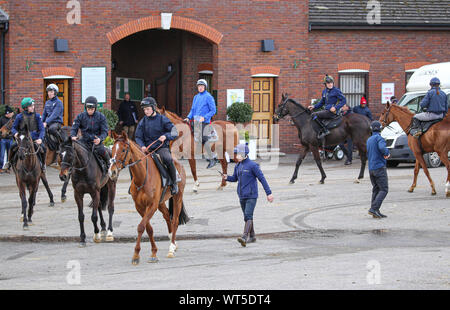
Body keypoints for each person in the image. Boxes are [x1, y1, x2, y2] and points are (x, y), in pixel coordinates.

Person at [223, 144, 274, 247]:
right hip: (241, 195)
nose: (236, 156)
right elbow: (235, 178)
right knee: (247, 217)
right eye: (236, 154)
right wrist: (226, 177)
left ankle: (244, 237)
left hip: (251, 195)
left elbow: (262, 179)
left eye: (238, 154)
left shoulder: (253, 165)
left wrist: (269, 193)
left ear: (245, 154)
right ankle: (253, 236)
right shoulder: (238, 165)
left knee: (248, 215)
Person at [135, 97, 180, 195]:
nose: (145, 111)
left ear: (153, 108)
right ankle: (134, 186)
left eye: (147, 109)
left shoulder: (163, 119)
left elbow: (174, 132)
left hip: (161, 148)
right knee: (135, 162)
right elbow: (138, 137)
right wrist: (142, 146)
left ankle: (173, 183)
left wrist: (165, 136)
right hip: (146, 149)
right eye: (144, 109)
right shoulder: (142, 122)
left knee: (168, 159)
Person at [183, 79, 218, 169]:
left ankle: (212, 158)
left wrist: (204, 117)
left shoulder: (208, 97)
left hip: (204, 122)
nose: (200, 87)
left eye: (202, 86)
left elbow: (213, 110)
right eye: (199, 86)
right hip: (195, 121)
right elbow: (192, 110)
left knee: (202, 138)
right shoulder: (196, 97)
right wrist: (188, 117)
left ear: (205, 87)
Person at [70, 96, 111, 172]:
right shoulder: (80, 116)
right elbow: (74, 127)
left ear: (95, 108)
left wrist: (100, 139)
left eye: (92, 109)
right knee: (72, 151)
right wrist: (73, 136)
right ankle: (70, 171)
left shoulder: (101, 117)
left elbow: (105, 131)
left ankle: (108, 166)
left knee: (102, 151)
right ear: (86, 108)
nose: (90, 111)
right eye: (88, 109)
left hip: (96, 141)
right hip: (84, 141)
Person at [8, 98, 46, 171]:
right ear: (25, 107)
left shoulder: (37, 116)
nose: (33, 107)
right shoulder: (19, 116)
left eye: (33, 105)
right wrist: (15, 133)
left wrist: (40, 138)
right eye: (31, 106)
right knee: (13, 146)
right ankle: (9, 163)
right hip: (23, 140)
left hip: (34, 139)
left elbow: (42, 129)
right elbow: (13, 128)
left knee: (43, 148)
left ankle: (43, 164)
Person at [308, 75, 347, 139]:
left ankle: (324, 130)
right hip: (326, 110)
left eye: (331, 82)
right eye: (328, 83)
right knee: (314, 115)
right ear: (325, 84)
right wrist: (314, 106)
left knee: (314, 115)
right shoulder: (324, 92)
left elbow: (344, 100)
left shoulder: (336, 91)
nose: (330, 84)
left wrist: (335, 107)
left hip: (333, 112)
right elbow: (321, 102)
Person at [367, 121, 390, 219]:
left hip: (371, 168)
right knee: (384, 189)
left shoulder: (369, 139)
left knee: (376, 189)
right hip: (379, 167)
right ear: (380, 129)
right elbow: (382, 148)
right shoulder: (379, 138)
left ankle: (375, 211)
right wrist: (387, 152)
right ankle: (374, 208)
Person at [0, 106, 15, 173]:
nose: (7, 115)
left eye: (9, 113)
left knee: (10, 154)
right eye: (7, 114)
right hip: (3, 139)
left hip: (10, 139)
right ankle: (0, 168)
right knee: (2, 154)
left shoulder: (13, 119)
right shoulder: (2, 119)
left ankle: (8, 168)